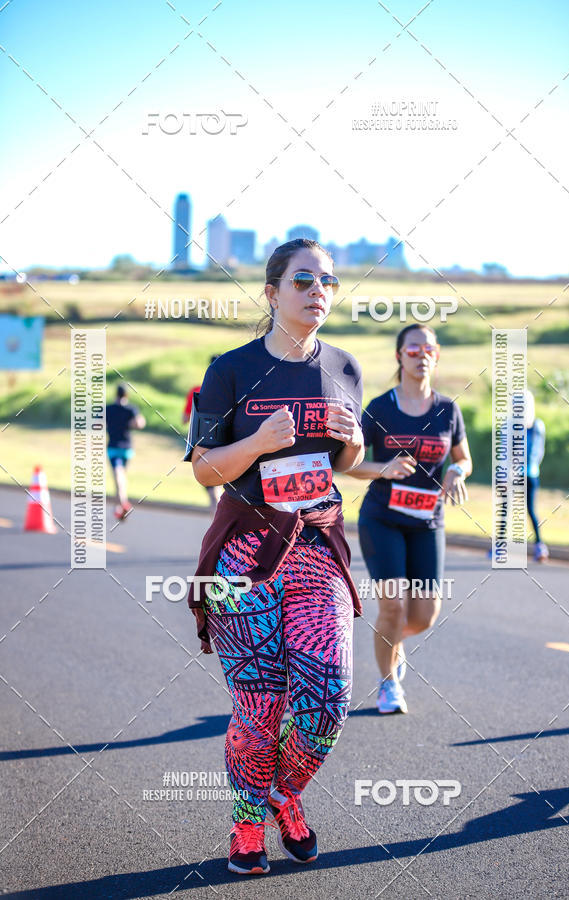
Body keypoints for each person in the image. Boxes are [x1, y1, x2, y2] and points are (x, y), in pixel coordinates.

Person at [184, 238, 364, 875]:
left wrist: (355, 442)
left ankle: (286, 793)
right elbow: (205, 470)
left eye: (328, 281)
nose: (319, 290)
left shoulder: (344, 366)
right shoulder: (230, 367)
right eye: (303, 280)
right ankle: (246, 823)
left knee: (328, 697)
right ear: (271, 293)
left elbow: (345, 462)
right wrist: (258, 442)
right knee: (260, 705)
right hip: (246, 550)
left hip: (316, 546)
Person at [347, 324, 472, 715]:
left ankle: (390, 648)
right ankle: (388, 685)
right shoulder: (381, 408)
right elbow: (348, 463)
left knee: (424, 615)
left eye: (428, 349)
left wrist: (457, 472)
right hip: (382, 518)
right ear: (400, 356)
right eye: (413, 349)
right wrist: (383, 469)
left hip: (427, 521)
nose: (421, 356)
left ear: (436, 356)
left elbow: (463, 457)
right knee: (392, 607)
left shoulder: (448, 409)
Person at [183, 355, 221, 514]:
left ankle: (216, 513)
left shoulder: (196, 390)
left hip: (203, 442)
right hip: (229, 441)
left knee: (209, 482)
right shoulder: (233, 390)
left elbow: (185, 419)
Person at [105, 384, 145, 520]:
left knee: (118, 474)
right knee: (121, 474)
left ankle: (123, 503)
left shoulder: (108, 409)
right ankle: (118, 507)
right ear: (126, 395)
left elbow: (97, 423)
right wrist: (129, 424)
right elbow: (140, 423)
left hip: (113, 447)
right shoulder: (131, 409)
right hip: (127, 448)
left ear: (116, 394)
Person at [526, 390, 549, 562]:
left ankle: (540, 545)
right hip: (518, 474)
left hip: (529, 473)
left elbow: (537, 451)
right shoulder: (511, 424)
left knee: (531, 510)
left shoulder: (537, 425)